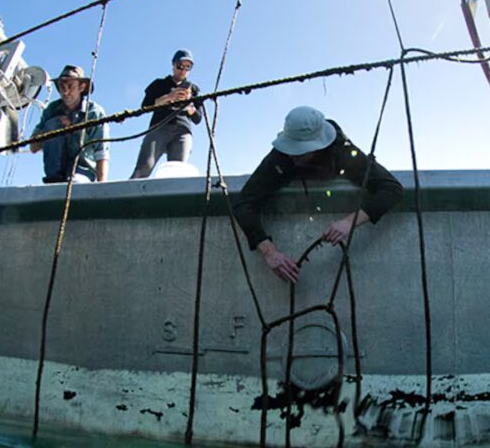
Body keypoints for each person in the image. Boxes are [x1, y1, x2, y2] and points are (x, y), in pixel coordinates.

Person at [233, 106, 403, 283]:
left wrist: (348, 222)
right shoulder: (279, 157)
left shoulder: (343, 153)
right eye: (291, 150)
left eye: (300, 153)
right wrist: (270, 252)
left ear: (319, 145)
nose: (293, 157)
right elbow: (244, 204)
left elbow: (392, 189)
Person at [130, 49, 202, 179]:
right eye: (180, 66)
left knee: (177, 173)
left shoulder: (194, 90)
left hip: (182, 131)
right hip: (159, 128)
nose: (183, 70)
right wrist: (169, 97)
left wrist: (189, 105)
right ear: (173, 65)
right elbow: (145, 106)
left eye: (188, 67)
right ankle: (128, 197)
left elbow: (198, 118)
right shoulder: (159, 84)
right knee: (144, 167)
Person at [30, 64, 109, 182]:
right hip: (53, 178)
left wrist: (101, 188)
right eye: (62, 87)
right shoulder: (51, 111)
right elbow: (33, 148)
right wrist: (54, 129)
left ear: (81, 87)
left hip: (83, 175)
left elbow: (102, 153)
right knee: (53, 123)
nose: (65, 92)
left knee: (76, 182)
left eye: (70, 86)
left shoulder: (94, 113)